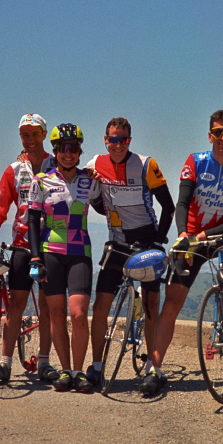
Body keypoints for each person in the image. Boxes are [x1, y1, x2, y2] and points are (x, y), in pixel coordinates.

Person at [150, 110, 223, 395]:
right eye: (218, 132)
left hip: (221, 234)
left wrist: (206, 234)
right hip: (193, 238)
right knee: (171, 303)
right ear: (210, 135)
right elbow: (182, 202)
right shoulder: (195, 162)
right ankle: (154, 368)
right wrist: (184, 233)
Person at [84, 117, 175, 387]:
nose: (117, 145)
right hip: (117, 242)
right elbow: (96, 204)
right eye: (113, 139)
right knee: (100, 306)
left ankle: (152, 367)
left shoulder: (146, 164)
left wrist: (159, 242)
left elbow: (168, 207)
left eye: (122, 139)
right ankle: (97, 366)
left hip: (147, 240)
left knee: (150, 307)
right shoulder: (95, 164)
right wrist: (97, 192)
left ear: (129, 140)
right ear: (105, 139)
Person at [0, 114, 56, 384]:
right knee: (15, 305)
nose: (30, 140)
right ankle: (4, 364)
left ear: (44, 134)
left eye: (34, 134)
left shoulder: (59, 164)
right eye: (24, 135)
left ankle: (44, 362)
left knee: (47, 306)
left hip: (52, 245)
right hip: (22, 245)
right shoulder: (13, 170)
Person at [26, 123, 103, 393]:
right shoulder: (41, 181)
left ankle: (80, 372)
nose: (68, 154)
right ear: (55, 151)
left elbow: (105, 208)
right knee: (56, 316)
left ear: (80, 151)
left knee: (79, 314)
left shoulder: (90, 181)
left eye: (73, 149)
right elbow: (33, 221)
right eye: (62, 149)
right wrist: (35, 257)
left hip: (80, 252)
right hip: (51, 254)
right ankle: (67, 371)